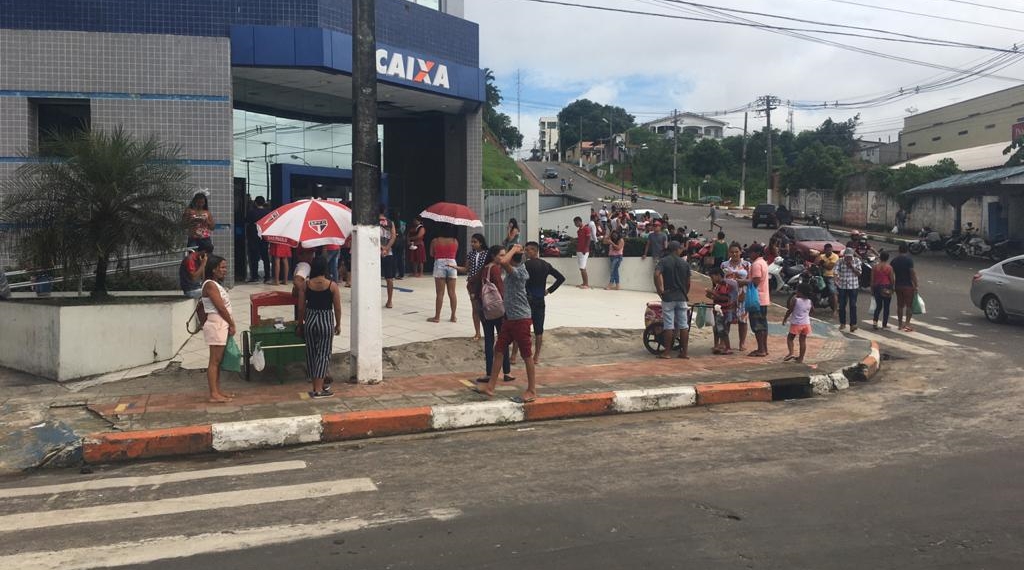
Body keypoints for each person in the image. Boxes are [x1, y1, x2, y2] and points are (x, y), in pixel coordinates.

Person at [473, 244, 537, 402]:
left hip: (521, 319)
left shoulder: (519, 272)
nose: (502, 258)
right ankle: (490, 386)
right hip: (509, 318)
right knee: (499, 350)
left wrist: (514, 249)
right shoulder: (510, 272)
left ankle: (532, 390)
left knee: (527, 355)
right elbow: (503, 263)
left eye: (505, 255)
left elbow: (503, 262)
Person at [296, 257, 342, 399]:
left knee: (311, 353)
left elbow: (301, 307)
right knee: (323, 354)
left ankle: (317, 386)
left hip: (310, 320)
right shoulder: (332, 285)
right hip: (325, 320)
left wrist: (300, 324)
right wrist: (338, 323)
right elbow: (337, 308)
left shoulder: (305, 285)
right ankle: (318, 390)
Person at [468, 245, 513, 383]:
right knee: (503, 340)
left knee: (489, 340)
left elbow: (471, 282)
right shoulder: (495, 269)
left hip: (485, 309)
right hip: (498, 310)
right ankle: (506, 372)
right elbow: (500, 289)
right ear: (493, 256)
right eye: (501, 255)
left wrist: (476, 297)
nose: (503, 257)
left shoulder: (484, 268)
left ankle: (489, 373)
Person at [200, 255, 235, 403]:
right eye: (221, 267)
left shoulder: (215, 284)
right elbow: (220, 307)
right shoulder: (210, 285)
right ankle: (213, 393)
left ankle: (217, 390)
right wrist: (231, 323)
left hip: (220, 324)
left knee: (218, 360)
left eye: (225, 267)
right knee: (214, 361)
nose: (224, 270)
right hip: (216, 324)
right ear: (213, 269)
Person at [524, 241, 566, 365]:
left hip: (527, 299)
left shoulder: (526, 265)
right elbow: (561, 278)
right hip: (540, 299)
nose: (526, 252)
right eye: (526, 250)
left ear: (535, 251)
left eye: (528, 250)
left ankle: (516, 354)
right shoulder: (546, 265)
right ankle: (536, 356)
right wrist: (549, 290)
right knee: (539, 329)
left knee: (523, 327)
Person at [654, 240, 691, 359]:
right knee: (683, 325)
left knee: (669, 325)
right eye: (680, 248)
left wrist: (660, 290)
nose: (681, 250)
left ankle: (667, 352)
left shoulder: (664, 261)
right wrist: (685, 292)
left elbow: (656, 274)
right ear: (676, 249)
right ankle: (684, 352)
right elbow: (688, 282)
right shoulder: (685, 263)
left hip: (669, 297)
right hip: (681, 297)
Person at [452, 233, 488, 340]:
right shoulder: (470, 255)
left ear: (481, 242)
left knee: (487, 308)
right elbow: (466, 269)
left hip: (484, 283)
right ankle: (477, 332)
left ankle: (487, 330)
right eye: (471, 242)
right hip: (472, 284)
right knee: (475, 309)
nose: (472, 244)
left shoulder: (487, 254)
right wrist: (455, 267)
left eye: (475, 242)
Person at [721, 243, 751, 351]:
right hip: (728, 295)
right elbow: (720, 280)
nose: (734, 254)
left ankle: (742, 343)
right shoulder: (724, 265)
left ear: (740, 252)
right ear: (729, 252)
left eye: (736, 252)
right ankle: (725, 342)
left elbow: (751, 280)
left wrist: (742, 282)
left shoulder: (747, 265)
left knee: (742, 320)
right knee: (727, 319)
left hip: (742, 295)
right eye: (732, 252)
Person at [429, 224, 460, 323]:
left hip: (440, 264)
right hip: (452, 264)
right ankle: (453, 316)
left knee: (440, 293)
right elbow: (455, 253)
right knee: (452, 292)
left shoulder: (435, 241)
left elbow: (431, 254)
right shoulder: (455, 241)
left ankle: (437, 317)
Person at [747, 243, 771, 357]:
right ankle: (764, 348)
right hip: (763, 298)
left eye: (751, 252)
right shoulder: (763, 263)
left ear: (756, 253)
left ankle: (761, 349)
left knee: (757, 325)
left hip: (757, 299)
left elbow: (755, 282)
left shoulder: (756, 264)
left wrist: (741, 282)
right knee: (763, 324)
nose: (749, 254)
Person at [706, 267, 737, 355]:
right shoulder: (718, 285)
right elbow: (716, 297)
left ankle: (727, 347)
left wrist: (712, 293)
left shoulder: (724, 285)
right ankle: (717, 346)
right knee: (716, 329)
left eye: (712, 277)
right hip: (718, 309)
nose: (712, 279)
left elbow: (723, 297)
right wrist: (710, 295)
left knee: (723, 330)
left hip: (723, 311)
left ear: (718, 275)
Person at [782, 283, 813, 363]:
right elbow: (812, 310)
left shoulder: (796, 300)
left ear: (801, 292)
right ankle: (801, 358)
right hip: (806, 324)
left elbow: (790, 310)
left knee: (790, 338)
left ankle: (791, 353)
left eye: (797, 291)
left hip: (796, 323)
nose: (796, 292)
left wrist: (785, 318)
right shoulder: (810, 301)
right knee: (802, 341)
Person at [891, 243, 918, 332]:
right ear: (907, 250)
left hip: (898, 285)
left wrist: (892, 285)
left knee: (900, 305)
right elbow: (912, 273)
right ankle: (907, 323)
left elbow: (891, 274)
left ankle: (899, 324)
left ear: (899, 250)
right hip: (908, 285)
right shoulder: (909, 260)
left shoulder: (894, 261)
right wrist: (916, 284)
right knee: (909, 306)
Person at [836, 247, 862, 332]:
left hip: (853, 286)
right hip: (842, 286)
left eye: (849, 257)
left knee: (853, 305)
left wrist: (851, 267)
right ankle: (842, 323)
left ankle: (853, 324)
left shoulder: (857, 261)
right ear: (844, 256)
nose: (848, 259)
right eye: (847, 257)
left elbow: (859, 273)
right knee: (842, 305)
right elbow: (835, 271)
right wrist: (836, 278)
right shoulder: (840, 261)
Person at [245, 196, 270, 283]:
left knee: (254, 258)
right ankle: (267, 276)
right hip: (264, 237)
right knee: (265, 257)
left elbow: (246, 221)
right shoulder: (268, 213)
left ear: (255, 203)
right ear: (264, 203)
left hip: (253, 237)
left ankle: (255, 276)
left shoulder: (251, 212)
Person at [871, 250, 894, 330]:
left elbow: (872, 279)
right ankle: (884, 324)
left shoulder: (875, 267)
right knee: (886, 307)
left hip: (877, 287)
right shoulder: (889, 267)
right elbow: (892, 279)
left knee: (878, 306)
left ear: (880, 257)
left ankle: (875, 323)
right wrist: (892, 288)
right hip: (886, 287)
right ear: (887, 258)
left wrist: (872, 289)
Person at [380, 208, 397, 308]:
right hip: (388, 252)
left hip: (376, 252)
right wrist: (387, 248)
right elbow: (393, 236)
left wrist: (381, 248)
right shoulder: (391, 222)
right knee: (389, 278)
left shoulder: (373, 221)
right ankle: (390, 301)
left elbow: (373, 236)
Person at [817, 243, 840, 314]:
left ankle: (835, 310)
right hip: (821, 276)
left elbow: (830, 267)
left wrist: (822, 263)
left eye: (830, 250)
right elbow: (816, 263)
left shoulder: (835, 256)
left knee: (833, 292)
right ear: (825, 250)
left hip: (831, 276)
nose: (829, 251)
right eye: (827, 250)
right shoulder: (822, 256)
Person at [574, 216, 591, 289]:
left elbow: (588, 239)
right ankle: (584, 283)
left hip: (584, 251)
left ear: (579, 221)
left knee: (582, 267)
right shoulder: (578, 231)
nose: (575, 224)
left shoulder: (586, 228)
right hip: (579, 251)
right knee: (581, 268)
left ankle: (586, 284)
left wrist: (586, 248)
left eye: (575, 223)